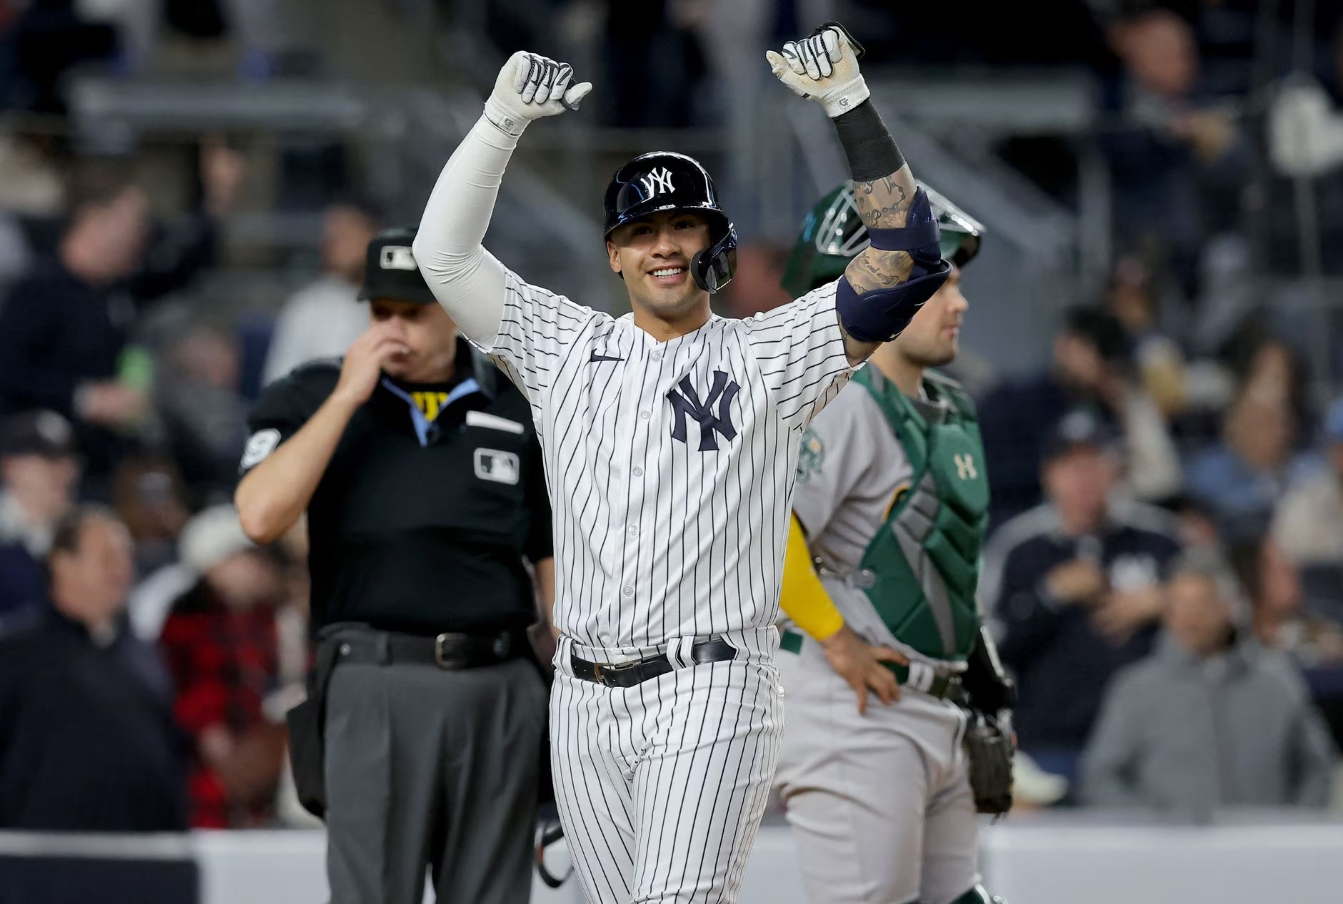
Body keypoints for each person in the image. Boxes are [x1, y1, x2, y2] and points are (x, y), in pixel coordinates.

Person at [413, 23, 952, 904]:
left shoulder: (774, 355)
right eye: (644, 230)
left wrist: (848, 105)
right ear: (614, 253)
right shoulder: (561, 347)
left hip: (712, 686)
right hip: (582, 694)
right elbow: (442, 256)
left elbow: (909, 255)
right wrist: (500, 122)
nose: (665, 244)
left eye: (683, 226)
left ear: (713, 244)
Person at [234, 227, 554, 904]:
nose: (393, 328)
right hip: (374, 678)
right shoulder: (313, 394)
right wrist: (346, 396)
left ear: (455, 311)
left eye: (413, 311)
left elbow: (552, 559)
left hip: (499, 683)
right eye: (381, 312)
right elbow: (259, 516)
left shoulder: (514, 402)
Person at [771, 181, 1013, 904]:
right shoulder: (838, 398)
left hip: (931, 707)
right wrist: (836, 639)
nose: (958, 303)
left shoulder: (943, 405)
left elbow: (944, 560)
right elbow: (761, 529)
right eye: (937, 284)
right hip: (853, 713)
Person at [980, 408, 1183, 785]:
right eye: (1070, 465)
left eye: (1094, 463)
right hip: (1051, 742)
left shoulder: (1159, 538)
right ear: (1048, 475)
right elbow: (987, 648)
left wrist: (1170, 603)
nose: (1083, 478)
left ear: (1115, 471)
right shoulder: (1020, 547)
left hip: (1150, 742)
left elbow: (1224, 615)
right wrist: (1050, 595)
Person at [1079, 549, 1337, 815]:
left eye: (1203, 604)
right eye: (1179, 606)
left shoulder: (1276, 680)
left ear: (1230, 607)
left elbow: (1316, 767)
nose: (1190, 618)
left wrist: (1292, 827)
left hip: (1263, 847)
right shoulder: (1136, 687)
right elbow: (1101, 778)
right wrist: (1149, 829)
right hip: (1168, 851)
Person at [0, 505, 188, 832]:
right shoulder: (16, 655)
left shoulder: (146, 657)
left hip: (141, 856)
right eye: (107, 557)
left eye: (126, 557)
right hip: (40, 860)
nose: (123, 570)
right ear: (63, 563)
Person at [158, 504, 287, 829]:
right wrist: (232, 768)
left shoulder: (260, 620)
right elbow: (200, 710)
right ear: (213, 566)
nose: (255, 567)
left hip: (258, 773)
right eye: (242, 558)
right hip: (208, 781)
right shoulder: (190, 624)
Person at [262, 198, 382, 385]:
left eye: (345, 235)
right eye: (330, 237)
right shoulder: (307, 307)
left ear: (374, 235)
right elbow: (278, 388)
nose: (333, 245)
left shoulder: (401, 303)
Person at [0, 409, 80, 617]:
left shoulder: (82, 532)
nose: (64, 472)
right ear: (10, 467)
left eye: (67, 460)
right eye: (49, 461)